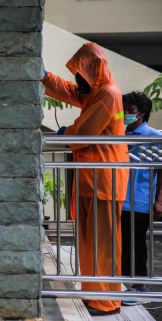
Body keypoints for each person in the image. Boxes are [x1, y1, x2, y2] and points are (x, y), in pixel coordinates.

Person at [42, 43, 129, 316]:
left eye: (80, 74)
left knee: (102, 244)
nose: (77, 80)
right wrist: (44, 76)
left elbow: (86, 131)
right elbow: (70, 91)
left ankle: (105, 301)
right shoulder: (96, 92)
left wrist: (67, 131)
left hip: (103, 181)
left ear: (92, 72)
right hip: (91, 180)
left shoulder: (108, 95)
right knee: (90, 243)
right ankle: (94, 295)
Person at [120, 91, 162, 306]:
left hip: (140, 199)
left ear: (142, 113)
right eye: (124, 108)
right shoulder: (120, 134)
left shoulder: (154, 136)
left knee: (135, 243)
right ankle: (126, 285)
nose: (126, 113)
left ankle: (140, 285)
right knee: (121, 242)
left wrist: (159, 199)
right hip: (119, 197)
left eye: (131, 110)